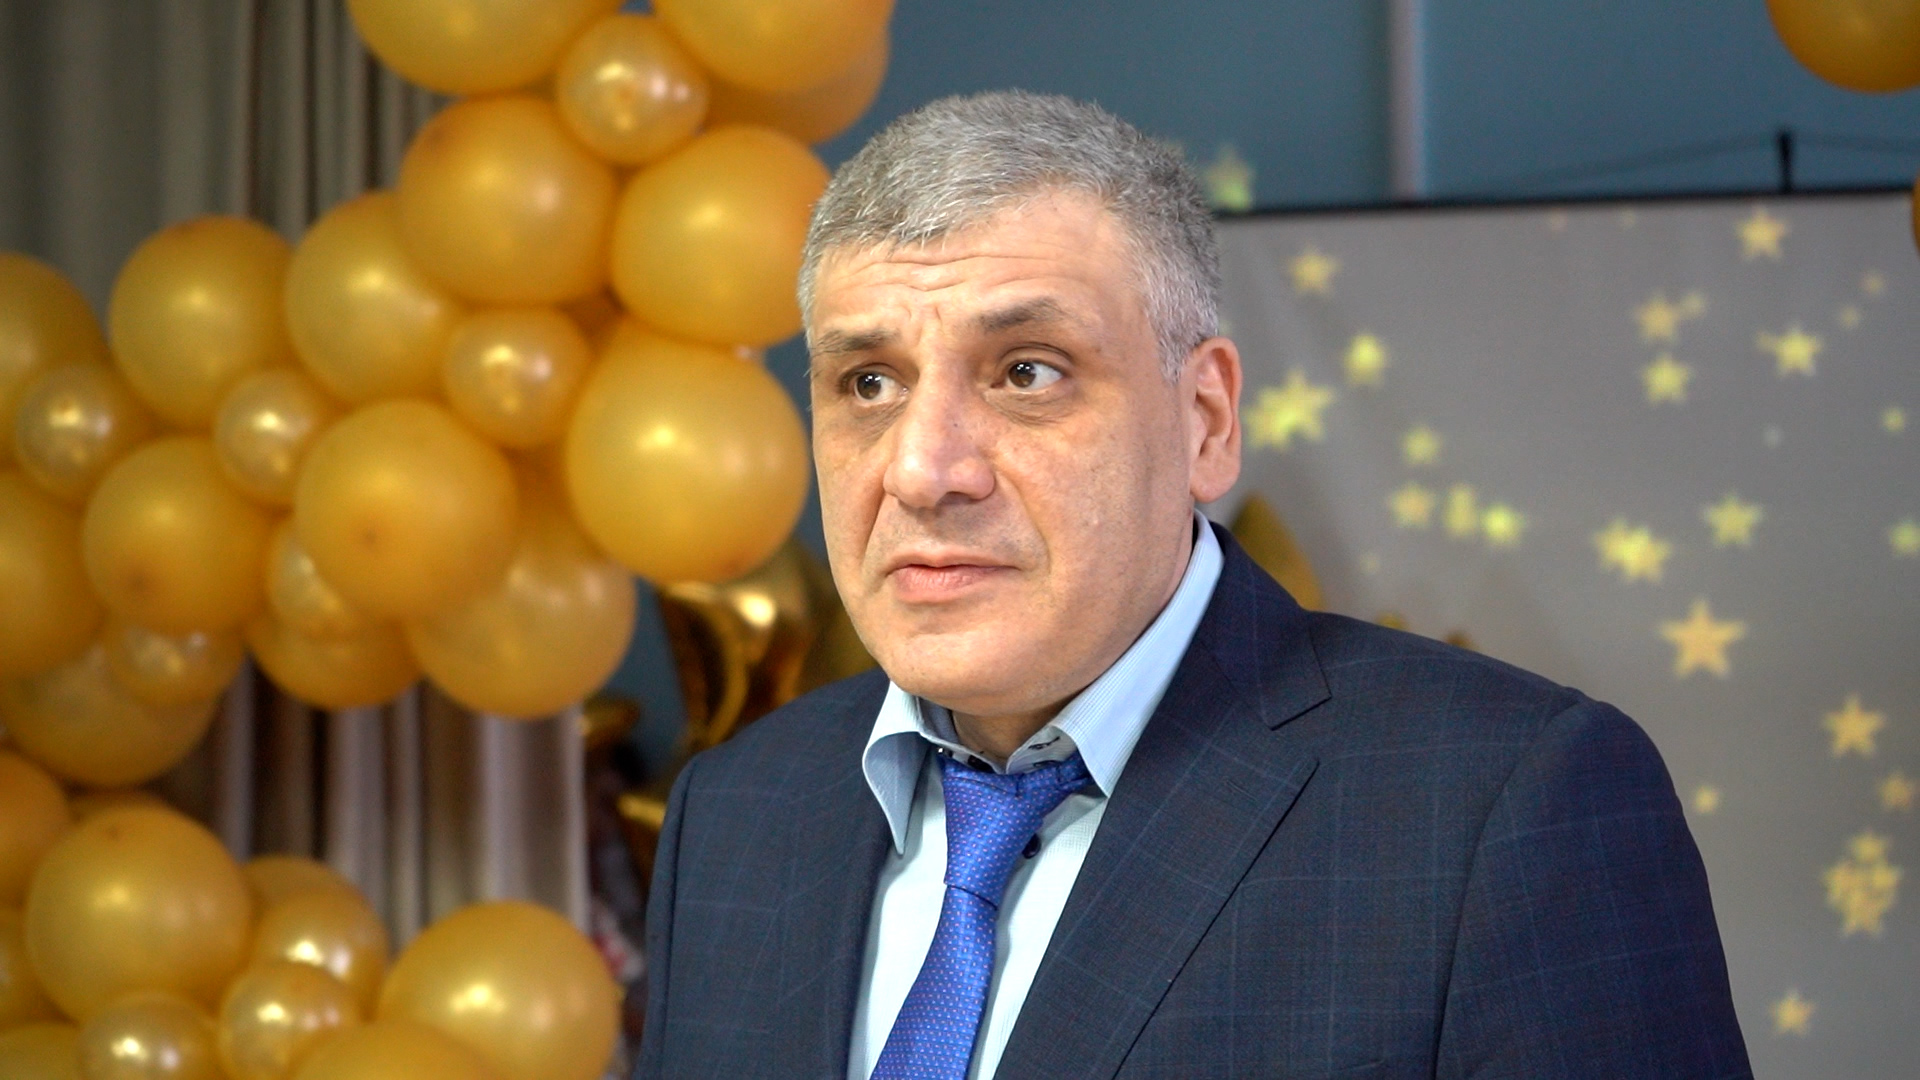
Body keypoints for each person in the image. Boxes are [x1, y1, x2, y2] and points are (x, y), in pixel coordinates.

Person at [638, 91, 1751, 1080]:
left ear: (1206, 421)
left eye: (1027, 371)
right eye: (868, 383)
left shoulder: (1501, 806)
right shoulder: (736, 814)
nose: (924, 471)